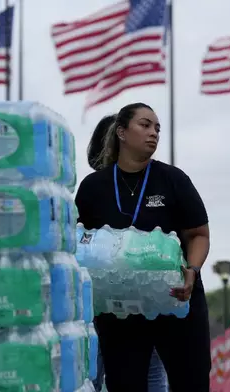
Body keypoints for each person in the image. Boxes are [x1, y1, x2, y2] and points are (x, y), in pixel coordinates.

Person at [76, 103, 211, 391]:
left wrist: (193, 270)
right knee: (125, 384)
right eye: (145, 125)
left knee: (192, 382)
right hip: (120, 310)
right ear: (122, 133)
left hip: (176, 299)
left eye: (157, 128)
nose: (154, 133)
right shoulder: (92, 187)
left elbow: (199, 235)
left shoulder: (173, 179)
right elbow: (79, 243)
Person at [88, 114, 169, 392]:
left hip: (130, 305)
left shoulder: (152, 186)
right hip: (109, 307)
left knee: (101, 371)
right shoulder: (94, 189)